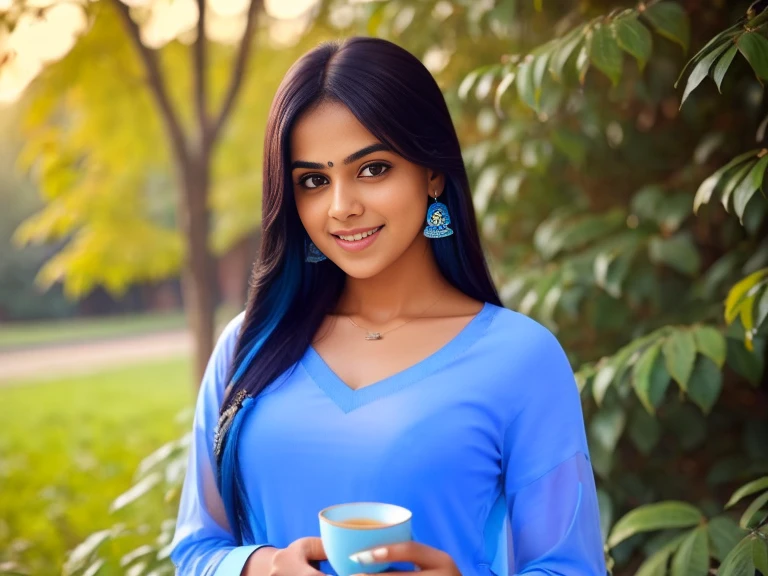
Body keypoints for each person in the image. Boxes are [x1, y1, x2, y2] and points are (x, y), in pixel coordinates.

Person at [169, 36, 607, 576]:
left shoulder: (521, 359)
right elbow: (196, 552)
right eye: (313, 180)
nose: (341, 206)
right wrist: (263, 566)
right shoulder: (248, 345)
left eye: (372, 169)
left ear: (432, 173)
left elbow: (571, 567)